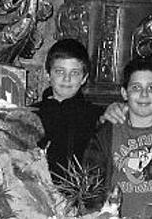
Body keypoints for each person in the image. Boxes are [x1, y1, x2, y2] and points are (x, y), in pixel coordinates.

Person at [83, 58, 152, 219]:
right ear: (124, 93)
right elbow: (91, 185)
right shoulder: (107, 132)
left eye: (151, 88)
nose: (144, 94)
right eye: (136, 87)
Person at [32, 39, 103, 183]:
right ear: (47, 74)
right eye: (59, 71)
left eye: (75, 73)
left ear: (84, 78)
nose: (67, 79)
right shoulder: (32, 114)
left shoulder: (96, 116)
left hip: (80, 197)